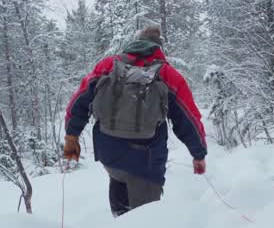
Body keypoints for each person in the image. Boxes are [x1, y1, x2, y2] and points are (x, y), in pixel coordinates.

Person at [63, 26, 208, 216]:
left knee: (120, 191)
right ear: (158, 48)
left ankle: (119, 219)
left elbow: (79, 102)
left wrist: (71, 137)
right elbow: (188, 119)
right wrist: (198, 154)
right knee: (144, 220)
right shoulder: (168, 74)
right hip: (147, 160)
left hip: (110, 154)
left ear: (136, 43)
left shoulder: (108, 65)